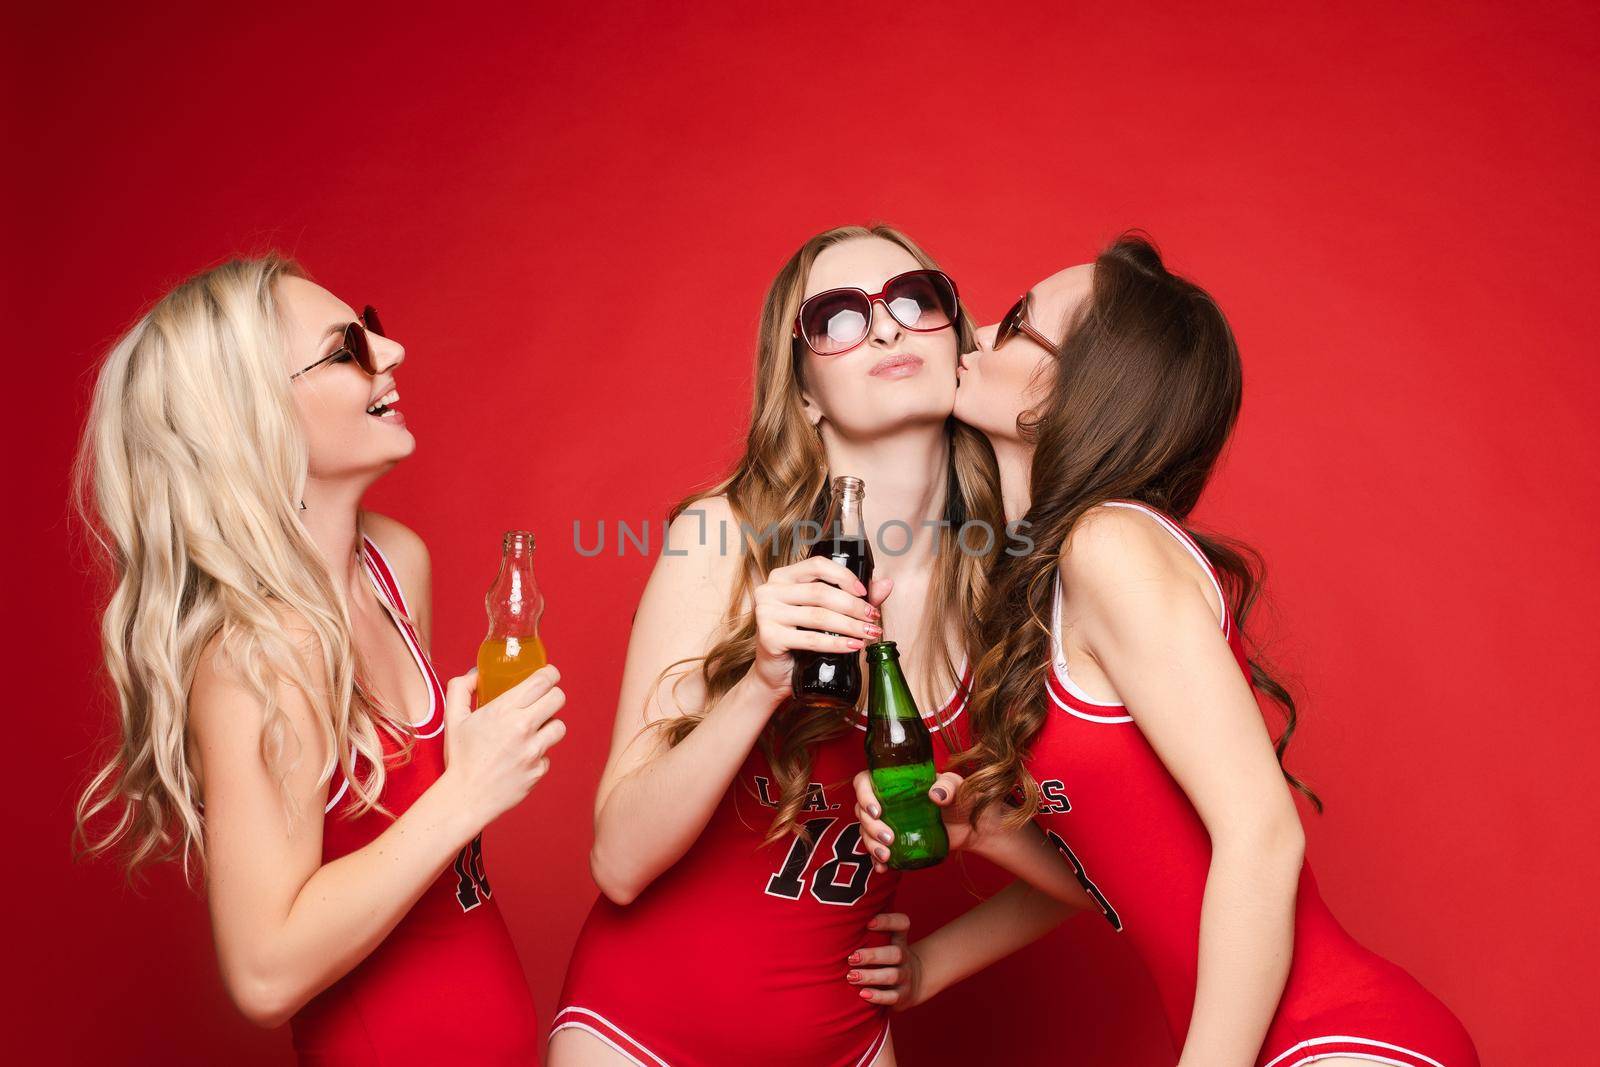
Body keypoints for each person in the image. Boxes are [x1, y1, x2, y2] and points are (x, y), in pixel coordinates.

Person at [854, 234, 1479, 1066]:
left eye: (1017, 326)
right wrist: (969, 888)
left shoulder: (1108, 543)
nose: (978, 331)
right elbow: (1128, 881)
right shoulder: (1048, 586)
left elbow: (1263, 835)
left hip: (1343, 1040)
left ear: (1066, 391)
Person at [549, 225, 1086, 1067]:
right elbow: (617, 860)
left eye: (915, 300)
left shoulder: (1004, 583)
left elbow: (1097, 872)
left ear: (960, 344)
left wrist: (933, 961)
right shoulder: (725, 538)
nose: (884, 328)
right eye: (837, 316)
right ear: (802, 393)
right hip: (641, 1037)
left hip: (848, 1045)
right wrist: (762, 682)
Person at [73, 256, 566, 1064]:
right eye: (348, 348)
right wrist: (469, 788)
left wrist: (477, 765)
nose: (393, 349)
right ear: (254, 416)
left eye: (369, 325)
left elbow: (413, 861)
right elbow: (265, 971)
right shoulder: (255, 652)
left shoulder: (396, 565)